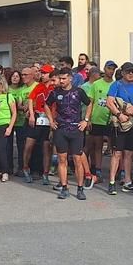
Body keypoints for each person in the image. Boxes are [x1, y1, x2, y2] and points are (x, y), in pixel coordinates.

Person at [45, 67, 93, 200]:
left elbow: (89, 104)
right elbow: (46, 105)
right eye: (59, 78)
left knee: (77, 159)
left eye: (64, 78)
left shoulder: (78, 91)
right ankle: (64, 187)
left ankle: (80, 188)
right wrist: (51, 120)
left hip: (76, 129)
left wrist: (86, 120)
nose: (61, 81)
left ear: (70, 78)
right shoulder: (55, 92)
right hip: (60, 129)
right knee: (62, 159)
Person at [106, 63, 133, 195]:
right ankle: (112, 182)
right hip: (119, 124)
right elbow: (109, 102)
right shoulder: (116, 85)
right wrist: (119, 115)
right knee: (117, 153)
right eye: (128, 71)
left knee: (129, 153)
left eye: (132, 71)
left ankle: (128, 181)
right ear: (122, 72)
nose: (131, 74)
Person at [24, 65, 55, 184]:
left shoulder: (53, 87)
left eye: (45, 73)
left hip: (49, 119)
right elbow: (31, 99)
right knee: (29, 145)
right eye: (41, 73)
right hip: (38, 117)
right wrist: (31, 114)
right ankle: (26, 168)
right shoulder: (38, 86)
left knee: (47, 148)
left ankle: (45, 173)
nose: (42, 75)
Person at [0, 76, 18, 182]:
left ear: (3, 85)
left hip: (4, 124)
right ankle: (0, 170)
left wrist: (10, 127)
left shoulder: (8, 96)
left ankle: (6, 171)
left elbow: (14, 113)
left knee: (2, 148)